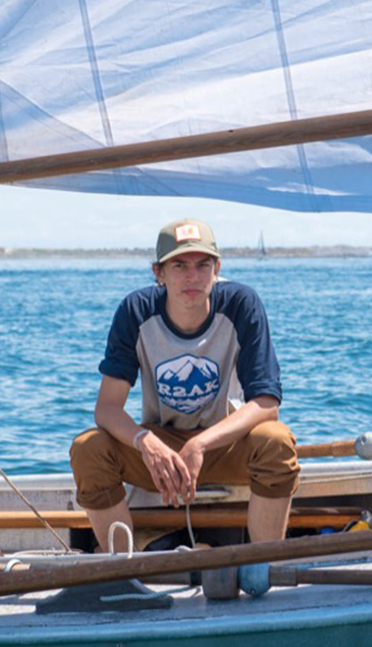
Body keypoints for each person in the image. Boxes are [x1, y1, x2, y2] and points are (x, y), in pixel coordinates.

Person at [69, 219, 299, 552]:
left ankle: (266, 568)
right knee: (87, 449)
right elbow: (106, 408)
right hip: (162, 445)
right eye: (179, 265)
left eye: (202, 265)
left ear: (217, 269)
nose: (192, 276)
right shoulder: (136, 311)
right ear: (158, 273)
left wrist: (200, 446)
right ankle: (124, 570)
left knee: (277, 442)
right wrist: (147, 443)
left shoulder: (241, 304)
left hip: (223, 444)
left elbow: (266, 404)